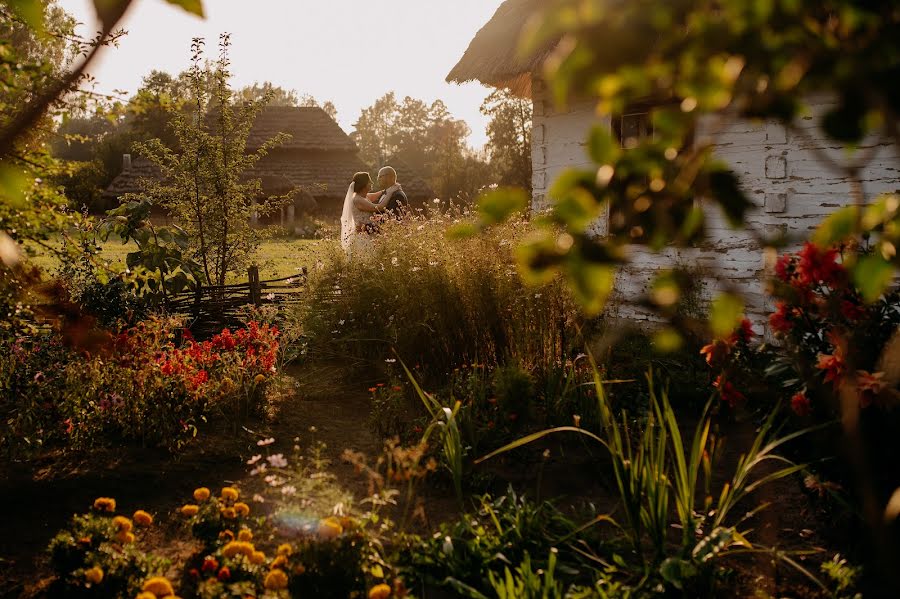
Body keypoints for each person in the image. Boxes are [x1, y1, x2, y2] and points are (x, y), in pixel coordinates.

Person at [340, 172, 401, 258]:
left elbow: (377, 195)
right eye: (370, 182)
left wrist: (387, 189)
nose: (372, 183)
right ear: (364, 184)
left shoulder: (364, 197)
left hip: (370, 233)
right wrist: (390, 192)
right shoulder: (357, 200)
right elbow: (379, 207)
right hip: (363, 237)